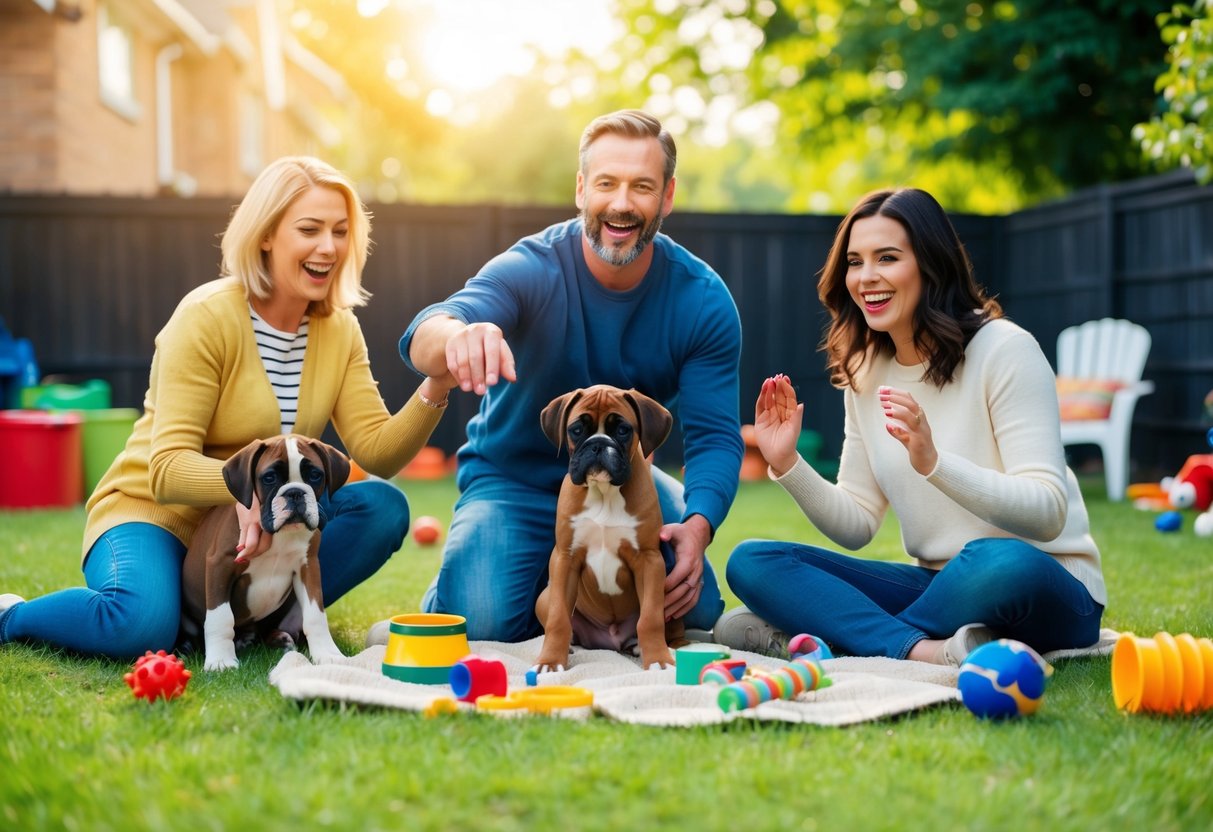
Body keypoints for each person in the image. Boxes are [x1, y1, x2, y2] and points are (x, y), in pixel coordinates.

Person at [0, 156, 454, 659]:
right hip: (157, 515)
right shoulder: (205, 318)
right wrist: (252, 498)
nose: (329, 247)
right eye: (310, 229)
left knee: (382, 505)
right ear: (265, 236)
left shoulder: (340, 328)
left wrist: (437, 384)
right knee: (138, 627)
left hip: (266, 519)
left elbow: (378, 451)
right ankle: (12, 615)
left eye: (341, 231)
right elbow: (166, 469)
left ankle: (271, 620)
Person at [386, 109, 743, 643]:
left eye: (641, 186)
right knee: (481, 621)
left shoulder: (703, 300)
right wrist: (457, 334)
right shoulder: (532, 267)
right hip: (512, 482)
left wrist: (699, 525)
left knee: (694, 610)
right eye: (606, 183)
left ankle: (547, 588)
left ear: (667, 197)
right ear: (581, 189)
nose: (621, 203)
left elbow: (715, 437)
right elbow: (425, 332)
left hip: (627, 483)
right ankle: (461, 587)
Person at [715, 187, 1106, 665]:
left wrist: (935, 464)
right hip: (942, 590)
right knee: (754, 561)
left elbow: (1047, 512)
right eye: (855, 262)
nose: (867, 277)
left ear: (930, 264)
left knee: (999, 560)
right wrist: (788, 464)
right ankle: (923, 648)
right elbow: (858, 522)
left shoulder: (1005, 350)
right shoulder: (865, 370)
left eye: (888, 257)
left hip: (1044, 581)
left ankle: (846, 635)